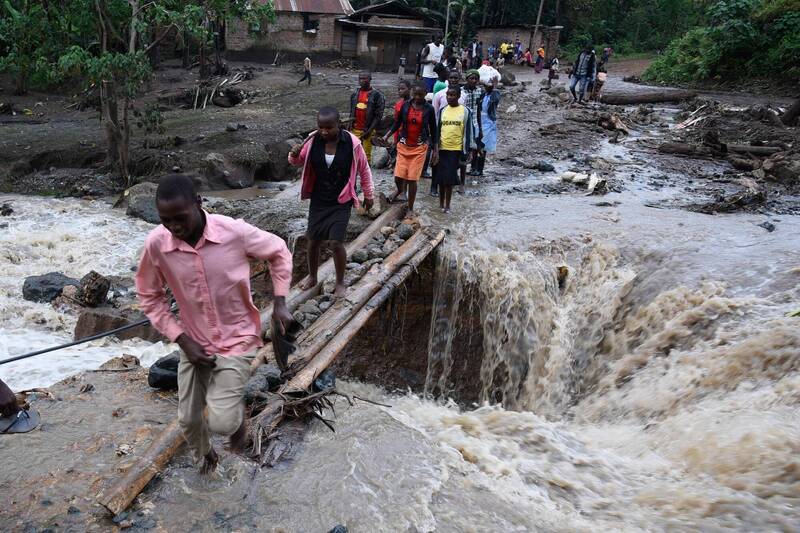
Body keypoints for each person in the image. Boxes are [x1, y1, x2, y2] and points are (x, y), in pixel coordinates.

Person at [135, 174, 293, 474]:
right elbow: (148, 296)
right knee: (188, 419)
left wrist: (280, 302)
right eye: (165, 220)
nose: (174, 227)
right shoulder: (157, 243)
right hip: (193, 340)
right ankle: (206, 457)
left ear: (199, 203)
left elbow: (279, 251)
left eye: (180, 218)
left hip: (238, 339)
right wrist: (182, 340)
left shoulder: (234, 232)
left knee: (221, 421)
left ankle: (236, 424)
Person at [290, 107, 375, 299]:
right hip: (319, 198)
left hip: (341, 199)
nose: (324, 132)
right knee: (313, 240)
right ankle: (312, 276)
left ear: (339, 125)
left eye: (329, 128)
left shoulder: (352, 144)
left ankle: (340, 282)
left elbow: (364, 169)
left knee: (336, 242)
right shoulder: (312, 142)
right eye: (321, 128)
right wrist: (294, 154)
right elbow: (297, 161)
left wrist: (369, 194)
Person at [383, 81, 438, 216]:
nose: (418, 97)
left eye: (421, 95)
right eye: (416, 94)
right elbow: (397, 123)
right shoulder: (406, 106)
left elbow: (434, 129)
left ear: (426, 94)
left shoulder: (429, 109)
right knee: (398, 176)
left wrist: (436, 150)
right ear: (412, 93)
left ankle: (410, 208)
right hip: (404, 145)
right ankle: (400, 190)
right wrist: (386, 136)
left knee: (412, 179)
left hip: (419, 147)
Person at [435, 85, 475, 213]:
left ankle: (448, 206)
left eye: (453, 95)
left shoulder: (465, 111)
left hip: (456, 149)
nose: (450, 97)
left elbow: (469, 131)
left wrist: (469, 150)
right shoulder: (442, 111)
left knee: (449, 179)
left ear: (458, 96)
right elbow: (437, 130)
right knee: (441, 179)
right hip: (442, 149)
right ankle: (440, 204)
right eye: (448, 95)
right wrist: (434, 149)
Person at [349, 72, 385, 165]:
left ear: (370, 79)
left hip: (368, 129)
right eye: (360, 78)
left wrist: (369, 130)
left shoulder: (377, 95)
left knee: (366, 155)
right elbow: (351, 111)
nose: (362, 81)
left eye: (364, 78)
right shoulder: (355, 94)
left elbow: (378, 115)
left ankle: (365, 175)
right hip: (354, 129)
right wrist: (349, 126)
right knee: (352, 154)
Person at [474, 81, 500, 178]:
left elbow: (496, 98)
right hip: (480, 120)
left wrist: (493, 87)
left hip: (488, 121)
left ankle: (479, 169)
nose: (487, 87)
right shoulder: (483, 95)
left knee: (483, 146)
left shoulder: (494, 94)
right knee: (477, 145)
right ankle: (475, 168)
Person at [462, 70, 485, 179]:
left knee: (476, 145)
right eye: (472, 78)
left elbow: (479, 109)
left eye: (476, 79)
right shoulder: (461, 92)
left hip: (475, 121)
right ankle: (463, 166)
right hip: (464, 121)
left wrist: (480, 127)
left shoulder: (479, 91)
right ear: (467, 79)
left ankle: (473, 167)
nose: (474, 81)